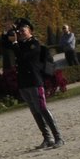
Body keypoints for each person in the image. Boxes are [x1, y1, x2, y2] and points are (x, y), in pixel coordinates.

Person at [10, 18, 63, 148]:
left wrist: (15, 43)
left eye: (23, 30)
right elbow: (6, 45)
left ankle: (58, 137)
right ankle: (47, 138)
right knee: (35, 111)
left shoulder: (34, 44)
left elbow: (23, 57)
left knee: (43, 109)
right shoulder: (20, 45)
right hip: (24, 82)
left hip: (34, 81)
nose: (20, 33)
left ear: (30, 31)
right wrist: (10, 33)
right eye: (19, 31)